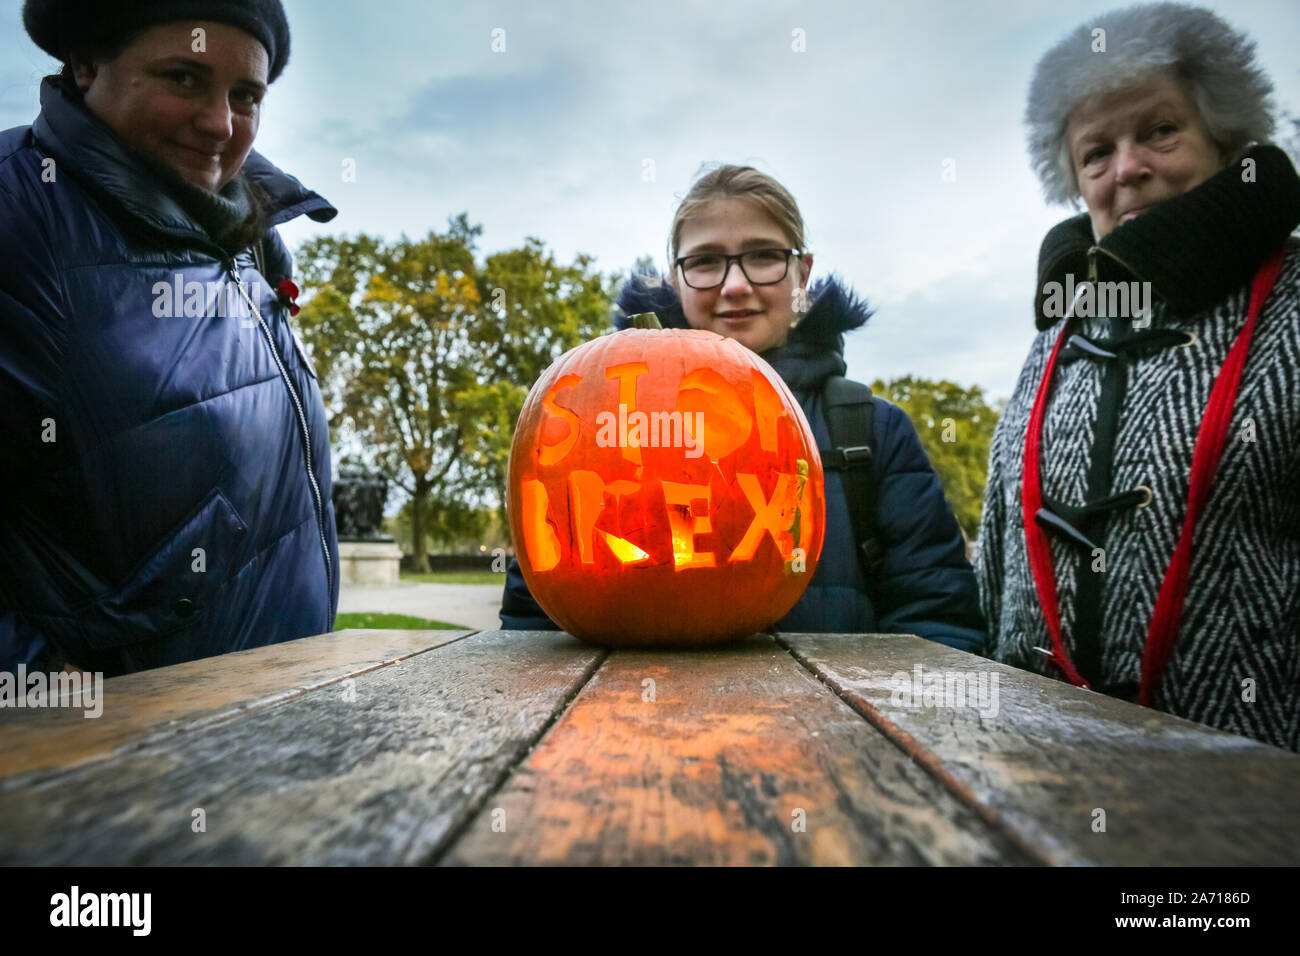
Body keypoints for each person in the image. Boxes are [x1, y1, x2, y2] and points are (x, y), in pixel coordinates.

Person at [976, 3, 1300, 750]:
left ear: (1223, 136)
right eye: (1097, 151)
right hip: (1037, 779)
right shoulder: (1054, 334)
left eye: (1159, 130)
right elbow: (995, 561)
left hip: (1255, 796)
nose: (1127, 168)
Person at [501, 164, 986, 652]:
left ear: (803, 272)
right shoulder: (594, 409)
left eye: (764, 256)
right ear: (676, 279)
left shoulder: (874, 431)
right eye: (707, 261)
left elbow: (940, 626)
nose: (735, 285)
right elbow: (535, 628)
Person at [1, 0, 340, 676]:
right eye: (183, 78)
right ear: (87, 63)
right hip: (111, 766)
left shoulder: (258, 245)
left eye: (245, 95)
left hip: (280, 728)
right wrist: (40, 689)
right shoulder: (19, 215)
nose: (219, 124)